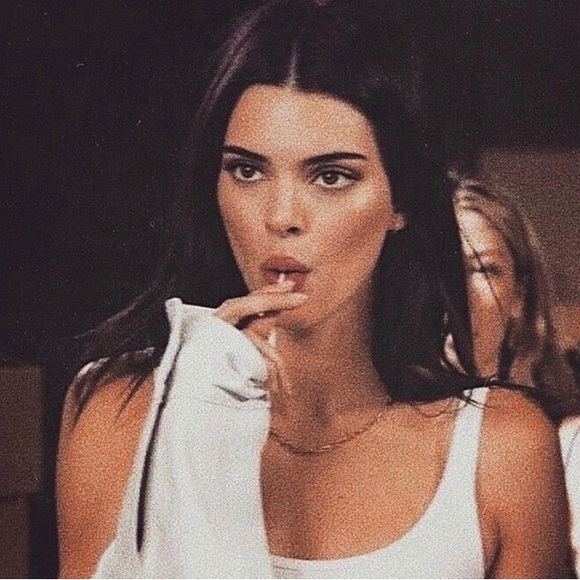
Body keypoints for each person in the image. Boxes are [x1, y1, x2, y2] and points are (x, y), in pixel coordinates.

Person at [56, 1, 569, 578]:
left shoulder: (504, 447)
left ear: (400, 201)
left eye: (330, 176)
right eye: (247, 170)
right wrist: (200, 429)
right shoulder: (119, 410)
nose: (281, 217)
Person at [450, 175, 579, 421]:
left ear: (519, 294)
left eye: (483, 269)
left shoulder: (566, 438)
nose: (460, 291)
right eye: (440, 267)